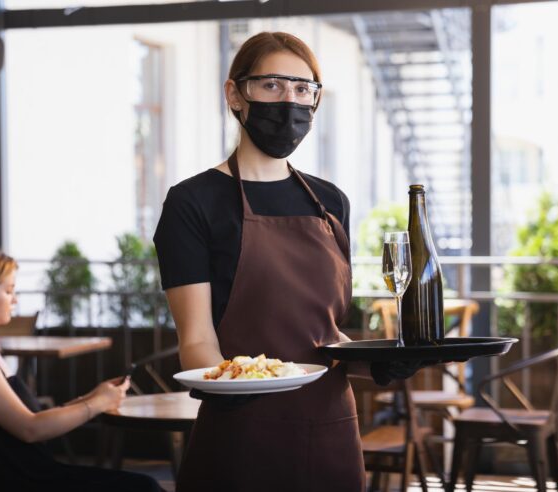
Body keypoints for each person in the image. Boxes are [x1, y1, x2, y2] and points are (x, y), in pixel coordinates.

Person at [154, 31, 419, 491]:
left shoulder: (331, 202)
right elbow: (196, 339)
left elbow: (326, 338)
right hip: (241, 436)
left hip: (332, 429)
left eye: (303, 89)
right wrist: (229, 386)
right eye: (272, 85)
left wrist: (375, 362)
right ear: (235, 95)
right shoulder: (192, 203)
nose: (289, 101)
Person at [0, 245, 161, 492]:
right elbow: (31, 428)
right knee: (144, 487)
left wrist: (93, 396)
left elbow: (29, 420)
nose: (15, 300)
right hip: (29, 482)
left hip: (37, 476)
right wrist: (97, 404)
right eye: (8, 291)